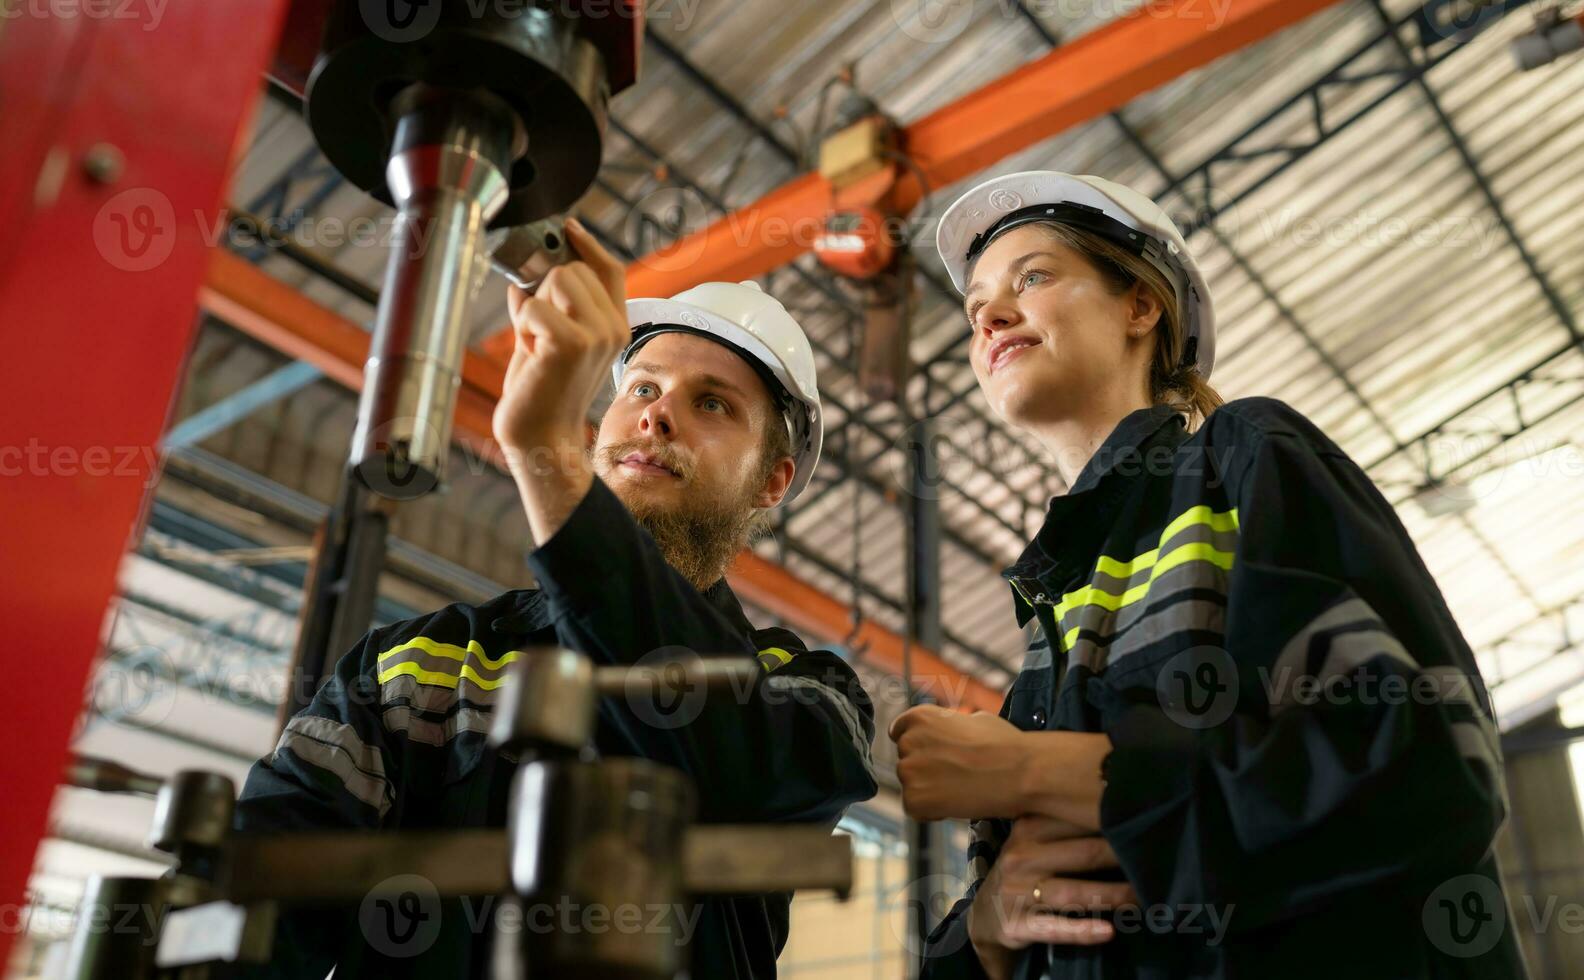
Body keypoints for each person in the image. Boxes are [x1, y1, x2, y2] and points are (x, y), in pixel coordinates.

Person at [889, 172, 1523, 978]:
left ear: (1140, 307)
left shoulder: (1244, 461)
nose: (992, 317)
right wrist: (983, 925)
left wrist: (1040, 773)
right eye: (978, 309)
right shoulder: (1054, 614)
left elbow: (1425, 773)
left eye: (1034, 277)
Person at [234, 219, 878, 978]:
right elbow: (255, 907)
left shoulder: (805, 690)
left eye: (713, 405)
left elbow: (743, 770)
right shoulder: (417, 669)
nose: (657, 414)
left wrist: (541, 450)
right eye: (643, 386)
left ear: (772, 480)